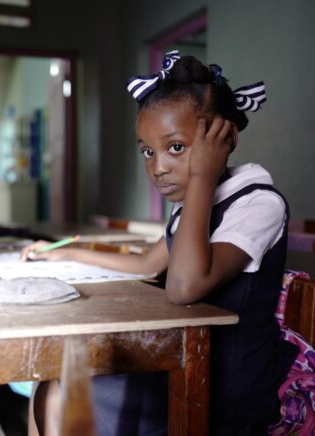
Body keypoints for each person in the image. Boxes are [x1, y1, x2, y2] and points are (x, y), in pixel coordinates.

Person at [20, 51, 299, 435]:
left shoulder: (257, 203)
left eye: (176, 148)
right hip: (183, 360)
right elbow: (147, 264)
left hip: (227, 386)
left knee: (63, 392)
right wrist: (65, 252)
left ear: (226, 138)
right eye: (148, 152)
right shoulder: (192, 207)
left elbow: (183, 287)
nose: (158, 167)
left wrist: (202, 176)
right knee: (51, 379)